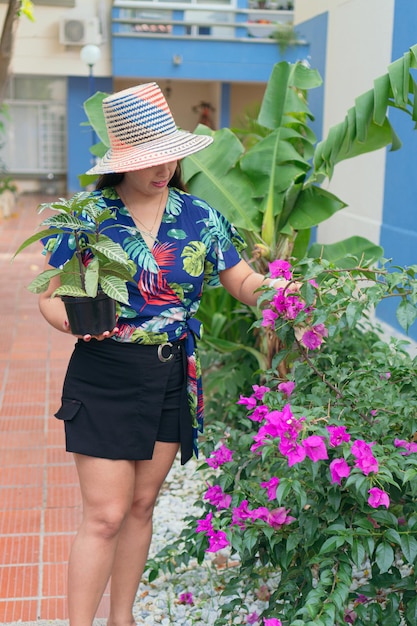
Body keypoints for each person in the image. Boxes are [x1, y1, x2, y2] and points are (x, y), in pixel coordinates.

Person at [38, 82, 292, 626]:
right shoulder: (88, 216)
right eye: (148, 160)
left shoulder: (199, 216)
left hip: (171, 372)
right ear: (121, 161)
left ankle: (122, 618)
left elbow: (242, 280)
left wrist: (282, 294)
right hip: (104, 372)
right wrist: (78, 323)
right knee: (104, 515)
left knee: (140, 506)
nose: (163, 168)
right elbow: (51, 296)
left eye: (168, 155)